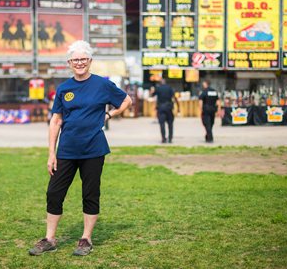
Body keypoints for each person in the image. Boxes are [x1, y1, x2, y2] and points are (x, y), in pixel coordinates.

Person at [29, 40, 132, 257]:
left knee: (90, 194)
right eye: (75, 60)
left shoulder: (102, 85)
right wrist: (51, 153)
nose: (79, 63)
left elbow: (126, 100)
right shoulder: (64, 88)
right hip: (66, 150)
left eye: (83, 59)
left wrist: (108, 114)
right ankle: (49, 239)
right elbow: (55, 121)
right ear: (69, 63)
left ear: (90, 61)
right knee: (54, 193)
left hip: (94, 150)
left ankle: (86, 239)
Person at [150, 79, 180, 143]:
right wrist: (178, 106)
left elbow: (152, 95)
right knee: (170, 124)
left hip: (161, 108)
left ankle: (163, 138)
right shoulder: (169, 88)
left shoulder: (158, 88)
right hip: (169, 108)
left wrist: (152, 90)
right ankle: (170, 138)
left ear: (160, 83)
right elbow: (174, 97)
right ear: (165, 82)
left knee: (162, 124)